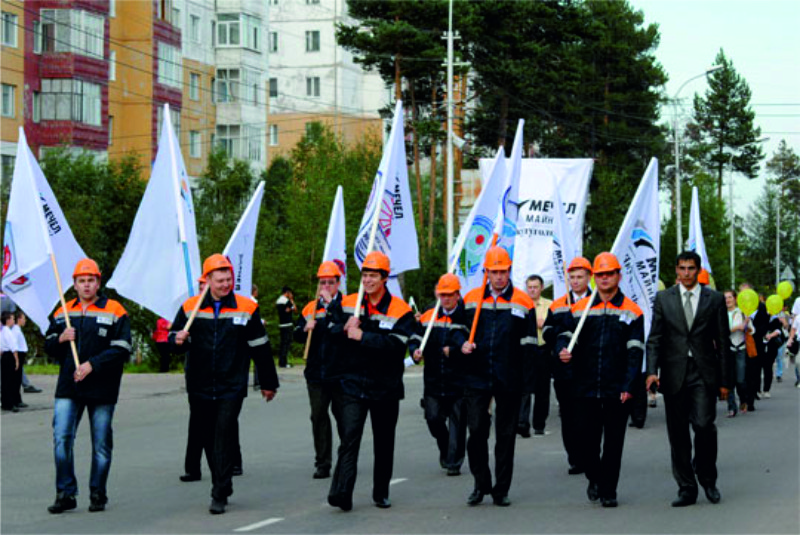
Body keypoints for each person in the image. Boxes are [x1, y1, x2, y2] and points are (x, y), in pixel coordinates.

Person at [170, 254, 279, 515]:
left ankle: (218, 492)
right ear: (207, 280)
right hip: (199, 384)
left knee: (224, 433)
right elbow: (171, 341)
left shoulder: (246, 307)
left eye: (228, 279)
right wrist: (177, 339)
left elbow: (260, 347)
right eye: (219, 280)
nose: (225, 284)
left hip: (232, 383)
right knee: (208, 437)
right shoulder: (190, 307)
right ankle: (224, 480)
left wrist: (268, 382)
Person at [326, 251, 414, 511]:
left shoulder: (401, 310)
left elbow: (397, 347)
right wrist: (344, 327)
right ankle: (342, 492)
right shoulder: (348, 303)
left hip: (386, 387)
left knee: (383, 442)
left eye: (373, 275)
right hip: (353, 384)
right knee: (349, 437)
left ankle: (381, 492)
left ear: (385, 278)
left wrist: (362, 336)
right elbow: (329, 333)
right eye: (365, 275)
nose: (368, 280)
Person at [44, 258, 132, 514]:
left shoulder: (115, 310)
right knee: (61, 438)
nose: (86, 286)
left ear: (98, 282)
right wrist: (60, 338)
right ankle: (65, 492)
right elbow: (48, 344)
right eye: (81, 281)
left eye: (90, 280)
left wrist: (93, 364)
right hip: (68, 387)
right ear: (74, 284)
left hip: (102, 387)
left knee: (101, 443)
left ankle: (98, 493)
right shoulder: (62, 311)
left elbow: (123, 348)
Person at [556, 253, 642, 508]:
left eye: (609, 274)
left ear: (618, 276)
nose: (605, 278)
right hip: (584, 387)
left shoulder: (632, 311)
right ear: (595, 277)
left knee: (614, 442)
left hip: (617, 389)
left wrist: (629, 385)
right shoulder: (580, 309)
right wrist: (563, 349)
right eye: (601, 274)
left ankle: (608, 490)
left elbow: (635, 352)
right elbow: (564, 336)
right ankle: (594, 476)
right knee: (586, 442)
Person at [646, 251, 731, 507]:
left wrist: (725, 381)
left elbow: (723, 342)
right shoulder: (663, 299)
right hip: (674, 373)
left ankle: (707, 477)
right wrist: (651, 371)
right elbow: (655, 338)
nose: (686, 273)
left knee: (704, 425)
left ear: (698, 270)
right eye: (682, 268)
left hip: (703, 372)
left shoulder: (713, 299)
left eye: (691, 268)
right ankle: (686, 487)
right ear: (676, 270)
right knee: (678, 433)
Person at [460, 246, 537, 507]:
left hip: (509, 377)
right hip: (476, 376)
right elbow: (458, 331)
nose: (499, 277)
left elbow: (529, 345)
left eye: (503, 271)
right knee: (476, 432)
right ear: (486, 272)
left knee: (505, 436)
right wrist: (462, 344)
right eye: (494, 272)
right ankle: (481, 483)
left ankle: (501, 489)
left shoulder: (523, 302)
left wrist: (527, 384)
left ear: (509, 271)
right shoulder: (471, 299)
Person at [408, 273, 469, 476]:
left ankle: (454, 462)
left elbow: (473, 346)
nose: (446, 299)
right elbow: (415, 338)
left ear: (458, 295)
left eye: (450, 295)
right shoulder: (428, 316)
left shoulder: (467, 316)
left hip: (458, 381)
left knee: (458, 424)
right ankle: (444, 447)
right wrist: (415, 351)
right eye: (442, 295)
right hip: (434, 380)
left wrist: (454, 351)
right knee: (433, 418)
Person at [294, 261, 344, 480]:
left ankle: (346, 456)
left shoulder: (347, 305)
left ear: (338, 283)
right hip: (316, 373)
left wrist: (332, 305)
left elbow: (344, 328)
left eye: (330, 283)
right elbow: (296, 334)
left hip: (340, 372)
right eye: (322, 282)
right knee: (318, 416)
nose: (325, 286)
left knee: (344, 418)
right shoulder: (310, 308)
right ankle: (322, 462)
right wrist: (305, 329)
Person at [542, 257, 592, 475]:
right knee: (569, 415)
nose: (576, 281)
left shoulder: (596, 302)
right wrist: (562, 334)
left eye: (580, 277)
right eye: (572, 277)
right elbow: (546, 332)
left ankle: (589, 454)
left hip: (587, 370)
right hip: (563, 371)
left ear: (589, 277)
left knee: (587, 416)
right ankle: (574, 457)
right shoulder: (558, 305)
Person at [518, 274, 551, 437]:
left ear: (541, 288)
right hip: (523, 352)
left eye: (535, 287)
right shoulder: (520, 304)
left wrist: (542, 323)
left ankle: (539, 424)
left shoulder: (548, 305)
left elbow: (550, 324)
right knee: (524, 388)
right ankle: (522, 422)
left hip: (542, 351)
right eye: (529, 287)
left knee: (542, 389)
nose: (532, 290)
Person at [740, 282, 769, 410]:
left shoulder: (761, 307)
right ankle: (743, 397)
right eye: (742, 292)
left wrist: (753, 330)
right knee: (741, 373)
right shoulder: (737, 308)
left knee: (753, 371)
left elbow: (764, 326)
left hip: (755, 345)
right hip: (739, 344)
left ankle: (750, 399)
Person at [724, 290, 751, 417]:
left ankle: (744, 400)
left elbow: (752, 330)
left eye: (730, 297)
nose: (728, 300)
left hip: (740, 349)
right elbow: (722, 332)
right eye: (725, 298)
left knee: (740, 379)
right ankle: (731, 407)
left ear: (735, 299)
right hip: (727, 350)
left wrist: (746, 325)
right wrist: (736, 327)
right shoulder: (721, 313)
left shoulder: (741, 312)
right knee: (729, 380)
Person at [13, 312, 42, 394]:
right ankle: (25, 387)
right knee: (16, 376)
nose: (25, 321)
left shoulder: (17, 329)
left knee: (19, 373)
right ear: (19, 319)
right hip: (18, 354)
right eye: (23, 318)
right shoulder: (16, 331)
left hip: (20, 354)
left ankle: (26, 385)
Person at [1, 311, 21, 412]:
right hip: (9, 355)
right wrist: (16, 360)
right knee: (10, 380)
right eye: (12, 319)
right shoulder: (8, 332)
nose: (14, 320)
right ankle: (10, 403)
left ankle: (5, 402)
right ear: (8, 320)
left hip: (4, 355)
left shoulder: (2, 331)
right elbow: (13, 347)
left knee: (5, 380)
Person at [762, 310, 785, 398]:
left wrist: (770, 335)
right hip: (760, 346)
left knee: (768, 367)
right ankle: (757, 390)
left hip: (771, 346)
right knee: (757, 367)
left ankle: (766, 389)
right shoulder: (760, 317)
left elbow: (778, 331)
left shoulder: (776, 320)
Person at [276, 286, 297, 368]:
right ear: (287, 292)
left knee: (282, 344)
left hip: (281, 324)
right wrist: (291, 300)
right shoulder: (286, 301)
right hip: (287, 324)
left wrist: (289, 309)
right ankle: (284, 363)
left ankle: (281, 361)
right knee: (286, 344)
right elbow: (295, 309)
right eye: (290, 293)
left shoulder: (278, 300)